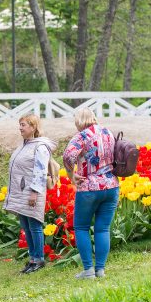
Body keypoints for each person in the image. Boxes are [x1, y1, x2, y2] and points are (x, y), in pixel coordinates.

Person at [63, 108, 119, 279]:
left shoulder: (82, 136)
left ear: (79, 120)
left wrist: (71, 174)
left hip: (89, 187)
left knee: (81, 227)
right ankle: (100, 270)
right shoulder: (107, 132)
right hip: (111, 186)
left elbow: (67, 156)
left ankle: (88, 270)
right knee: (102, 229)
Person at [4, 114, 57, 274]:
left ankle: (39, 259)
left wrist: (34, 192)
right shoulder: (25, 144)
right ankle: (33, 258)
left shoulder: (39, 146)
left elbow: (40, 170)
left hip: (32, 192)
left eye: (23, 125)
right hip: (22, 191)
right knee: (26, 226)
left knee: (34, 225)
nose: (20, 128)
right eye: (19, 124)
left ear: (33, 127)